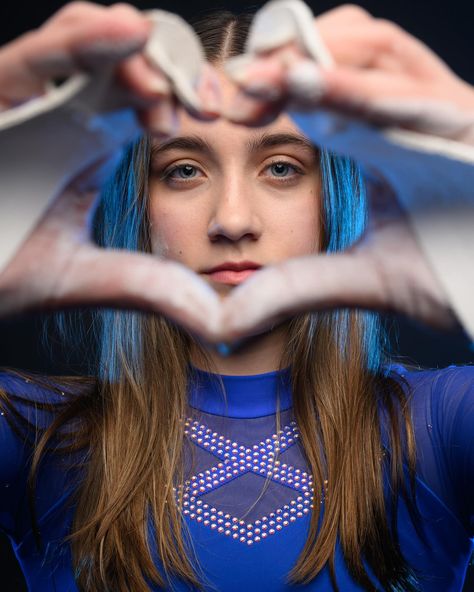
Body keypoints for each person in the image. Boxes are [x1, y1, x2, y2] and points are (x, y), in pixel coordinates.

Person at [0, 3, 472, 592]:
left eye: (280, 167)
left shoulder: (443, 426)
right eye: (183, 171)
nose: (231, 220)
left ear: (336, 198)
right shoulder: (35, 438)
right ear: (138, 206)